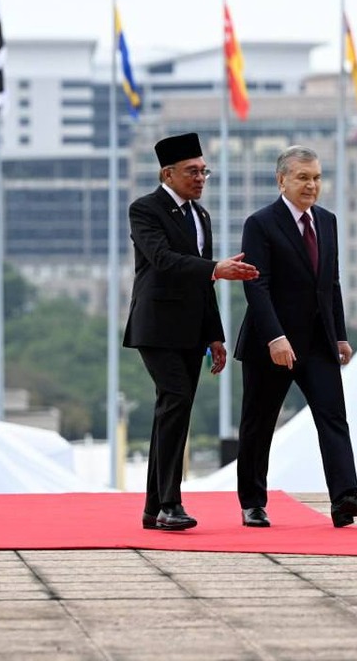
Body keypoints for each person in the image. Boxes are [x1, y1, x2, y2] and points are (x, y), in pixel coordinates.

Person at [234, 145, 357, 528]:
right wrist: (274, 338)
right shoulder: (260, 223)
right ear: (281, 179)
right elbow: (257, 285)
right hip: (271, 344)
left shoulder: (328, 221)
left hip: (318, 341)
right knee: (259, 423)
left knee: (333, 416)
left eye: (316, 177)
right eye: (303, 177)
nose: (311, 185)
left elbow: (330, 283)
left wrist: (340, 335)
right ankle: (253, 502)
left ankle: (344, 498)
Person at [124, 132, 258, 531]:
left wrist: (214, 335)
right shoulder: (145, 210)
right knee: (176, 402)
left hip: (191, 330)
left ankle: (153, 509)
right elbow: (163, 260)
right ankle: (170, 503)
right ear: (168, 173)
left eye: (204, 171)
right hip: (156, 326)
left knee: (172, 413)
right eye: (192, 171)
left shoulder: (201, 216)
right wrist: (217, 267)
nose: (200, 178)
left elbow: (204, 284)